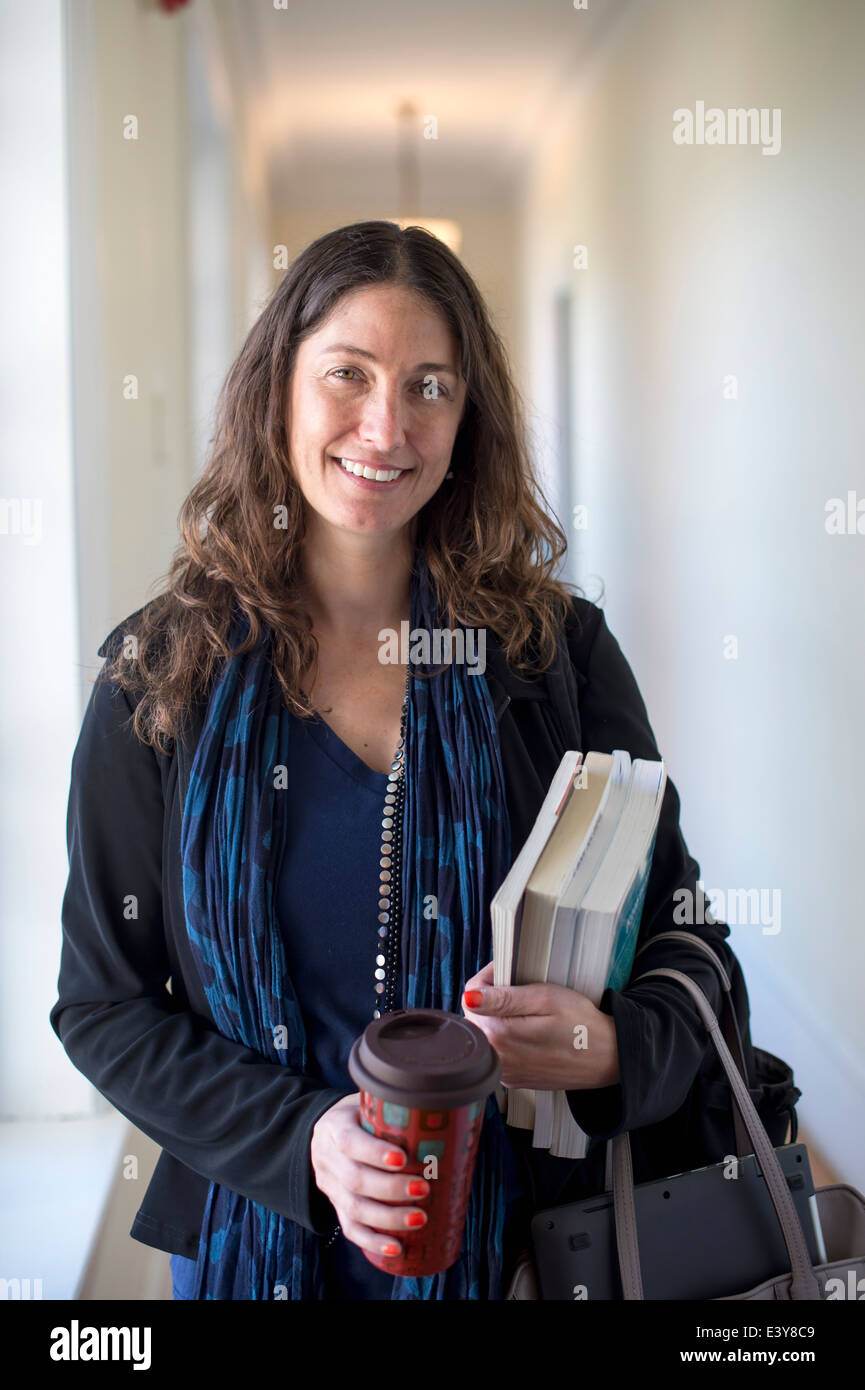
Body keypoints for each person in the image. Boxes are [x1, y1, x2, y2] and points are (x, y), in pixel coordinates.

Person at [51, 220, 745, 1301]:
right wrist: (304, 1138)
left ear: (468, 422)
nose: (387, 424)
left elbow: (688, 941)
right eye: (347, 373)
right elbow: (103, 1006)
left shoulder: (554, 659)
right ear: (275, 389)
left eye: (430, 385)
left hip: (523, 1248)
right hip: (258, 1230)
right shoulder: (159, 678)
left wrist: (610, 1048)